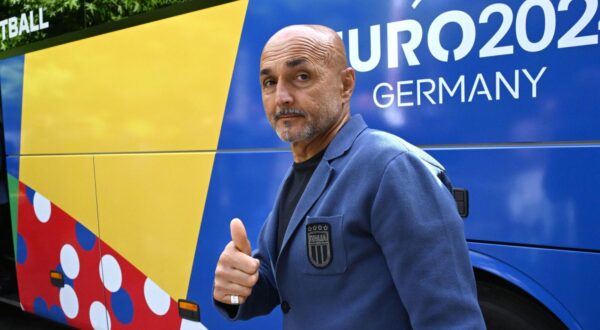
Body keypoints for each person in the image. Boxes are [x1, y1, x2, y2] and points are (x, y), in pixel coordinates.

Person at [213, 24, 485, 329]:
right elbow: (276, 285)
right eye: (269, 82)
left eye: (301, 76)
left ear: (345, 85)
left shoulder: (393, 167)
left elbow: (451, 321)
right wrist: (235, 287)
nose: (282, 97)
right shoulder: (299, 174)